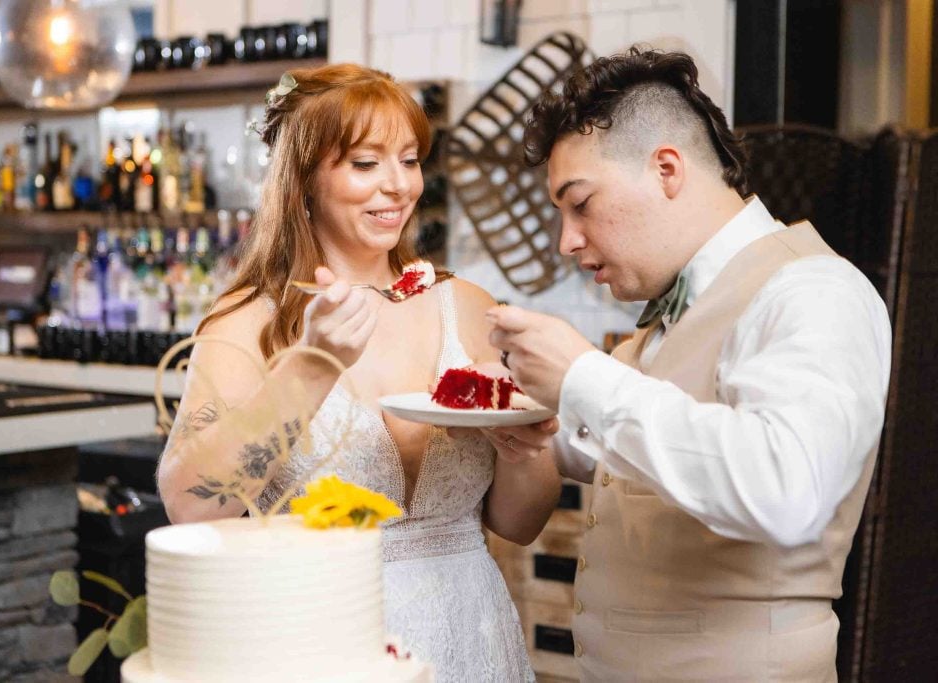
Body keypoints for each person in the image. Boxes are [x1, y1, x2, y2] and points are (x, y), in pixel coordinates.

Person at [486, 48, 892, 680]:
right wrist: (505, 414)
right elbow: (627, 457)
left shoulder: (814, 290)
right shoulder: (669, 315)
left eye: (581, 203)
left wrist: (585, 376)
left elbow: (786, 488)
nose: (566, 241)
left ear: (667, 169)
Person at [156, 63, 561, 682]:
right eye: (365, 164)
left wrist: (524, 446)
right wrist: (311, 367)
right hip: (322, 639)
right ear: (304, 181)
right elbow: (188, 505)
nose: (398, 186)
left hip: (472, 636)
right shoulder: (250, 322)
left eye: (409, 159)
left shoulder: (469, 307)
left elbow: (520, 523)